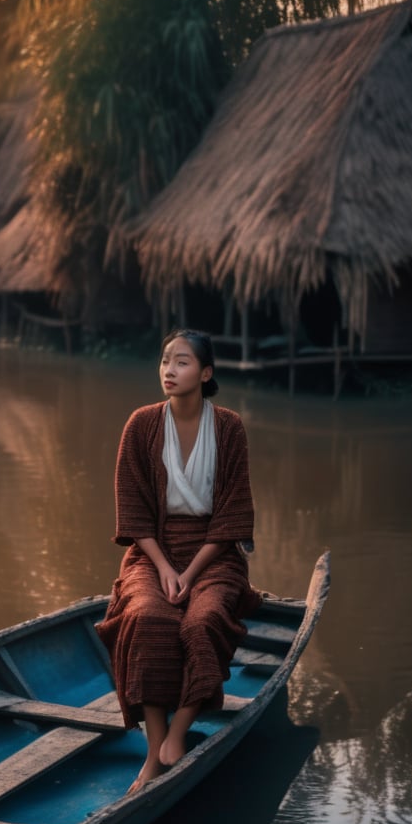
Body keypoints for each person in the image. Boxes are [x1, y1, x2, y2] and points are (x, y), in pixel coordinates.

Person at [95, 328, 262, 794]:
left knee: (201, 621)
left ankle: (178, 730)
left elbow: (232, 514)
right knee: (148, 617)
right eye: (166, 360)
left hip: (215, 554)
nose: (169, 370)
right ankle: (153, 755)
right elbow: (132, 510)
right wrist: (166, 568)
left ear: (206, 373)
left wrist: (189, 573)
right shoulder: (142, 424)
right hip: (153, 551)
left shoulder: (228, 427)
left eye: (182, 362)